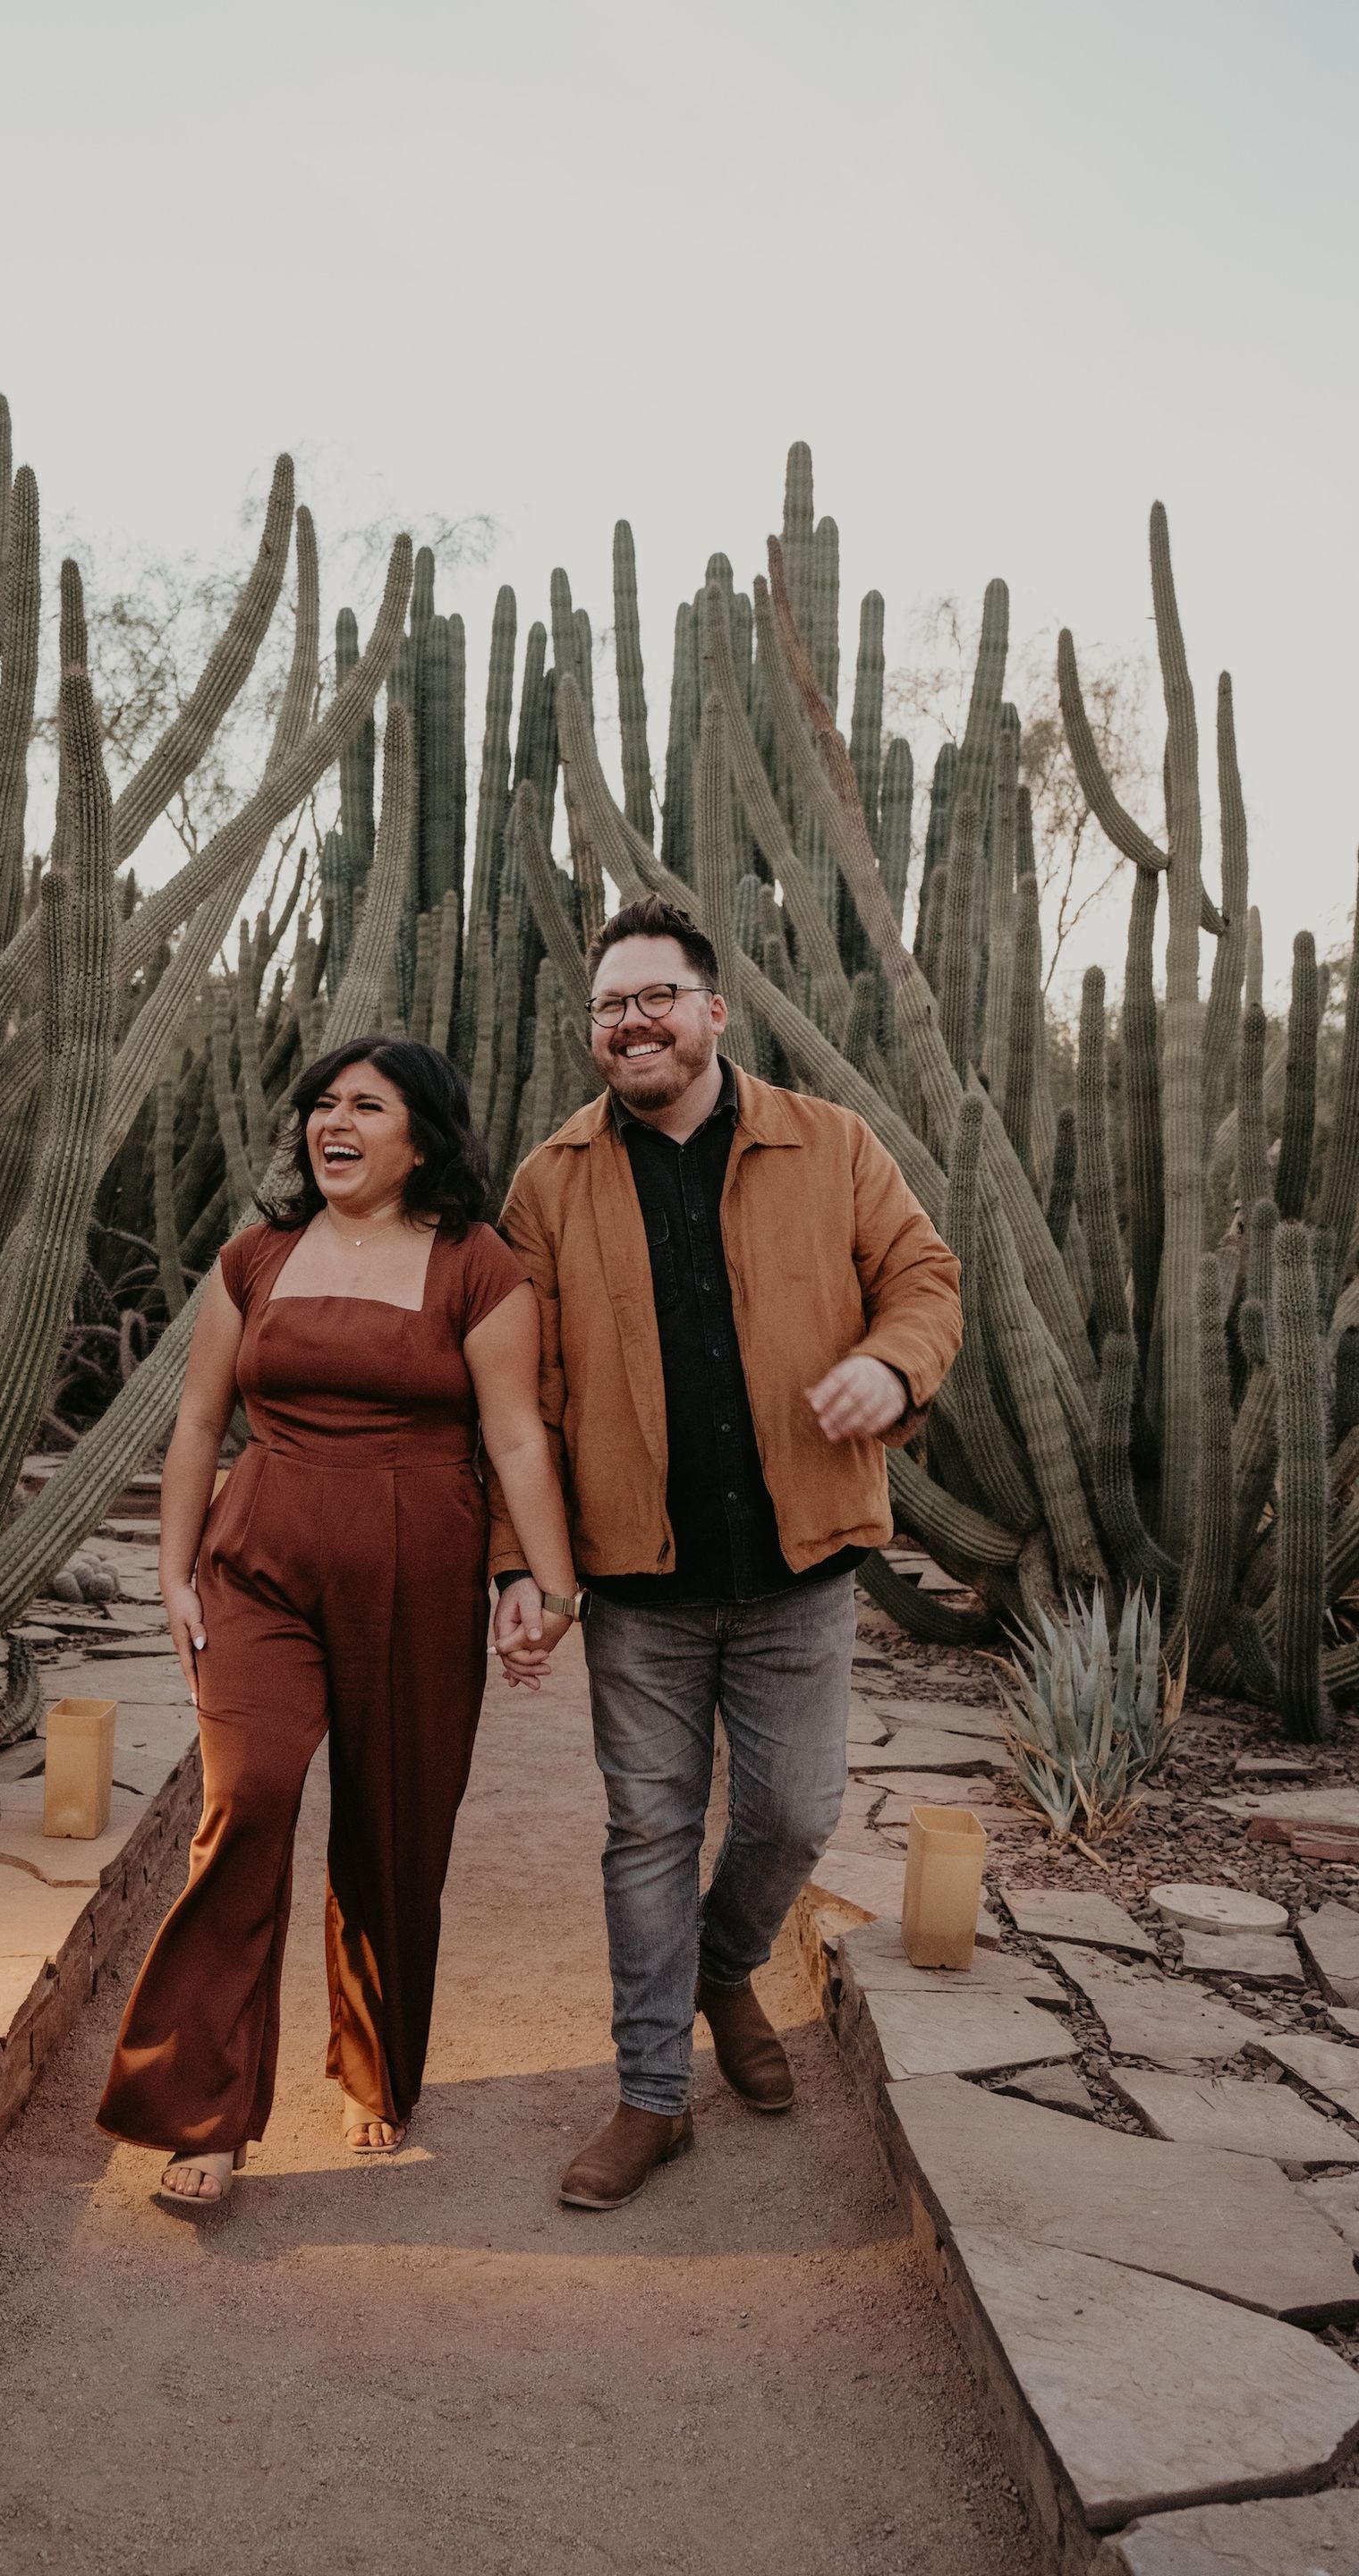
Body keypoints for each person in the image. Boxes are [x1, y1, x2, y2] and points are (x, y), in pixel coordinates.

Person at [489, 895, 962, 2211]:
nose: (631, 1023)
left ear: (712, 1010)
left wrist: (888, 1361)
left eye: (656, 997)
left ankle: (721, 1965)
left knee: (796, 1814)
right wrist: (517, 1569)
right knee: (646, 1830)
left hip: (801, 1564)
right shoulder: (551, 1181)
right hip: (639, 1581)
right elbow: (518, 1394)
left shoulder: (834, 1143)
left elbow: (926, 1278)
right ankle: (652, 2096)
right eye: (609, 1006)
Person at [98, 1038, 579, 2210]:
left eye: (367, 1103)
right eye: (321, 1104)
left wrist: (554, 1589)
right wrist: (174, 1576)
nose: (334, 1121)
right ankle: (203, 2114)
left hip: (415, 1573)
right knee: (247, 1802)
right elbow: (200, 1424)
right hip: (256, 1565)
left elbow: (516, 1436)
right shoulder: (254, 1258)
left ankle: (374, 2069)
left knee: (393, 1829)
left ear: (424, 1135)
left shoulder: (478, 1268)